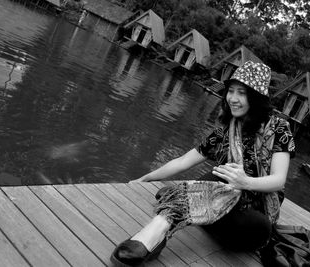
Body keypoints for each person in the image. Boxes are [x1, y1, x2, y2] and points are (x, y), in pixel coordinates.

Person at [110, 61, 295, 266]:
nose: (233, 98)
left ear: (256, 97)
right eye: (230, 91)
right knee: (219, 177)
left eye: (241, 93)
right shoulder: (225, 131)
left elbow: (279, 180)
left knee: (255, 221)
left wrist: (245, 182)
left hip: (247, 223)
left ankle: (183, 200)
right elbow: (183, 161)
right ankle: (158, 230)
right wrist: (146, 177)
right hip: (217, 208)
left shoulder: (279, 128)